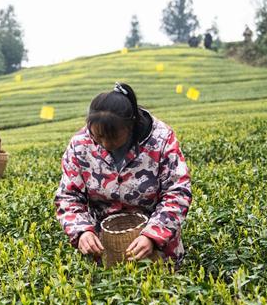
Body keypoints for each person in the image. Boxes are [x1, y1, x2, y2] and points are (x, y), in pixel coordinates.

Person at [55, 83, 191, 264]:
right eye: (98, 136)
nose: (105, 144)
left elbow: (178, 192)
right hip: (103, 247)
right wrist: (82, 231)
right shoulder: (80, 145)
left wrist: (153, 235)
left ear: (131, 126)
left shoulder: (161, 140)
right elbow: (68, 196)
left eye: (112, 137)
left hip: (158, 247)